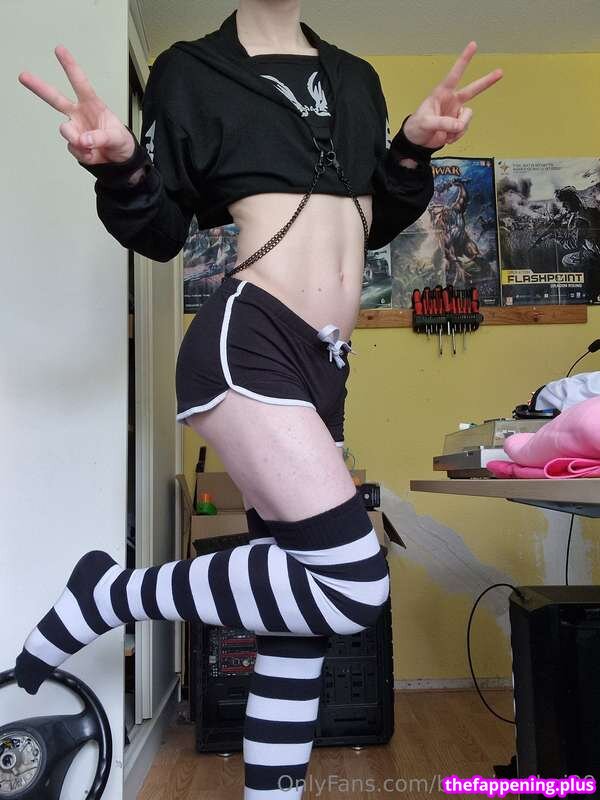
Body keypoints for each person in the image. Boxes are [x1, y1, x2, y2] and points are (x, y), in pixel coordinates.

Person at [16, 1, 502, 796]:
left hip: (325, 364)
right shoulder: (190, 71)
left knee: (298, 623)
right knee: (351, 585)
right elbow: (161, 231)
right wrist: (122, 166)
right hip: (250, 340)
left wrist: (412, 149)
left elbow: (372, 222)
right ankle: (109, 594)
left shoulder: (355, 79)